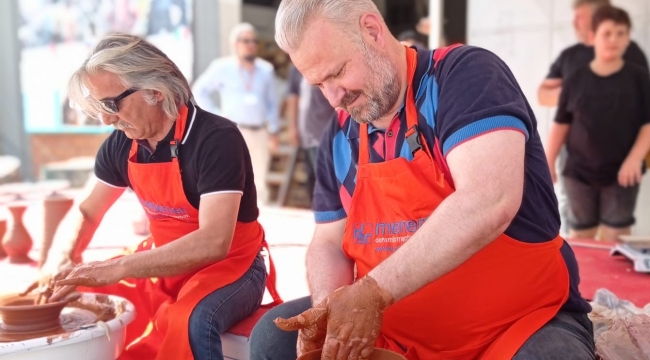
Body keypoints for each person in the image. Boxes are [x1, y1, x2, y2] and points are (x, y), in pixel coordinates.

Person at [250, 0, 594, 359]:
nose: (334, 98)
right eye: (319, 84)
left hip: (515, 327)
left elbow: (489, 200)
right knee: (272, 341)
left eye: (336, 73)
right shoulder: (338, 136)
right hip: (394, 333)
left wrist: (373, 291)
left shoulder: (465, 76)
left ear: (372, 30)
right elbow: (329, 243)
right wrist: (329, 312)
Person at [26, 34, 281, 360]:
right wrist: (60, 259)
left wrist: (119, 267)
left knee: (191, 320)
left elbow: (214, 241)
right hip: (161, 260)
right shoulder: (121, 143)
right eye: (98, 106)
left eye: (111, 104)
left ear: (155, 92)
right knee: (80, 296)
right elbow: (87, 212)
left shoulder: (216, 139)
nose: (106, 119)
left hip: (234, 265)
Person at [537, 0, 649, 237]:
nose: (613, 39)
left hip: (621, 169)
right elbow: (556, 114)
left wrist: (635, 158)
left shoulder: (636, 72)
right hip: (578, 168)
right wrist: (548, 160)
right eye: (606, 33)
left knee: (615, 239)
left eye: (620, 33)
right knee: (580, 236)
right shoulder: (573, 68)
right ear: (594, 35)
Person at [192, 23, 280, 204]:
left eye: (254, 41)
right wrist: (216, 117)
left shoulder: (266, 70)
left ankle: (258, 224)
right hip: (233, 131)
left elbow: (272, 103)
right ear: (235, 44)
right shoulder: (222, 67)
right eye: (245, 40)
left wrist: (275, 130)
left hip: (259, 131)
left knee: (259, 179)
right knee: (231, 176)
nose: (251, 45)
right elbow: (199, 90)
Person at [537, 0, 648, 107]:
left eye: (579, 17)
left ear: (599, 16)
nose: (574, 23)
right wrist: (575, 90)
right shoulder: (569, 55)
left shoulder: (629, 50)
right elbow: (542, 96)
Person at [286, 64, 336, 201]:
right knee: (312, 175)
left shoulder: (325, 64)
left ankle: (330, 211)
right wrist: (293, 128)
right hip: (307, 132)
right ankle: (316, 211)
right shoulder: (295, 69)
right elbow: (293, 98)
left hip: (325, 131)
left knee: (324, 176)